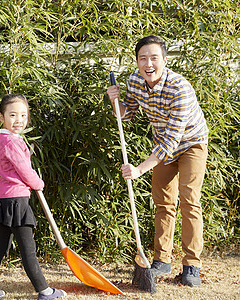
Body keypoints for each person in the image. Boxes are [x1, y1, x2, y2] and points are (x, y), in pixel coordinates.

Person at [106, 35, 209, 287]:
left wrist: (140, 168)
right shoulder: (134, 80)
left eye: (154, 58)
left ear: (164, 59)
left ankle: (191, 265)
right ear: (137, 61)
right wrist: (114, 101)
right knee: (163, 201)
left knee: (189, 199)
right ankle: (161, 260)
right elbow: (125, 115)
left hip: (191, 143)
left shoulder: (179, 87)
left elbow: (172, 141)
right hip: (162, 143)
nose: (148, 64)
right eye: (143, 58)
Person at [0, 94, 66, 299]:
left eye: (23, 115)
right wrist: (38, 183)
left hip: (2, 199)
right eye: (12, 115)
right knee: (28, 249)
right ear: (1, 117)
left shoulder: (3, 139)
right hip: (16, 201)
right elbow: (24, 170)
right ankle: (45, 291)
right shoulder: (12, 142)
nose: (18, 120)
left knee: (0, 246)